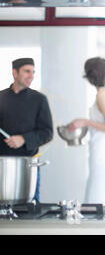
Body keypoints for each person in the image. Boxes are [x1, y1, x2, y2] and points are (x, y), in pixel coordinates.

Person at [67, 57, 105, 205]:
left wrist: (85, 121)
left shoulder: (102, 95)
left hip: (104, 152)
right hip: (101, 150)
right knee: (98, 193)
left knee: (99, 196)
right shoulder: (102, 93)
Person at [0, 57, 53, 202]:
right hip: (2, 165)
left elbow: (47, 133)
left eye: (33, 72)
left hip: (28, 166)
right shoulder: (0, 97)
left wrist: (23, 139)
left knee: (29, 210)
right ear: (15, 73)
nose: (31, 76)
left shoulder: (39, 99)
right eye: (27, 71)